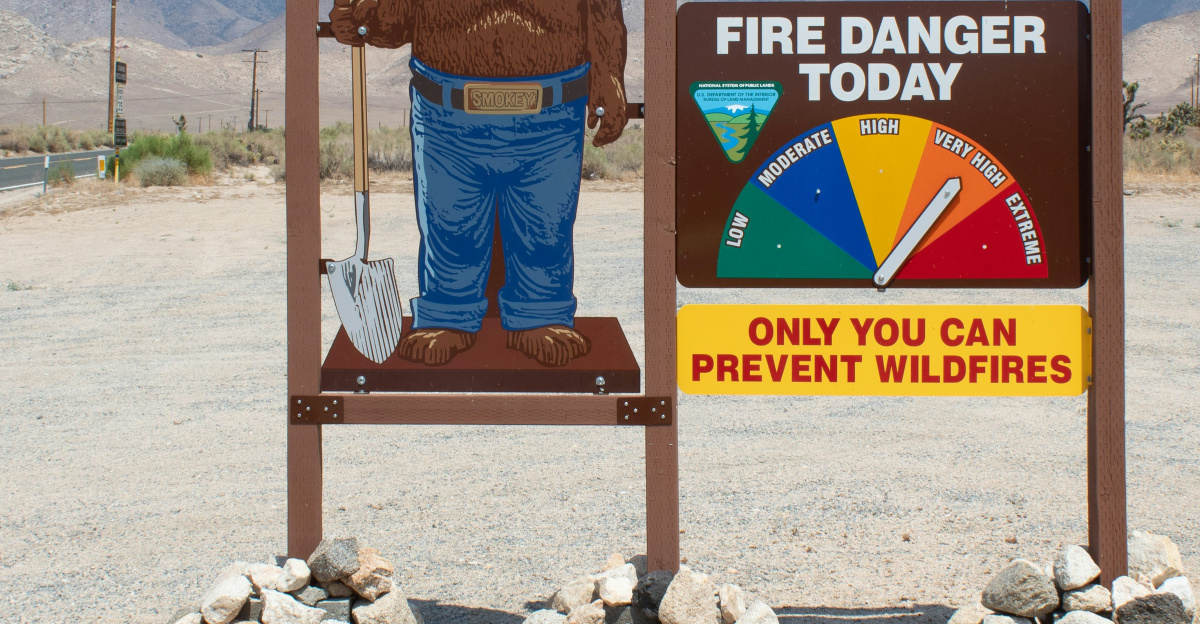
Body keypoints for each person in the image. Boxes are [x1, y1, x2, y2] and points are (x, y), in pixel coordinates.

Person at [329, 0, 629, 367]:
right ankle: (446, 315)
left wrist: (609, 75)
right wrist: (365, 17)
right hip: (447, 113)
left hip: (552, 111)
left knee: (546, 225)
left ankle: (542, 314)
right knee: (449, 223)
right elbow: (397, 21)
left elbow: (601, 9)